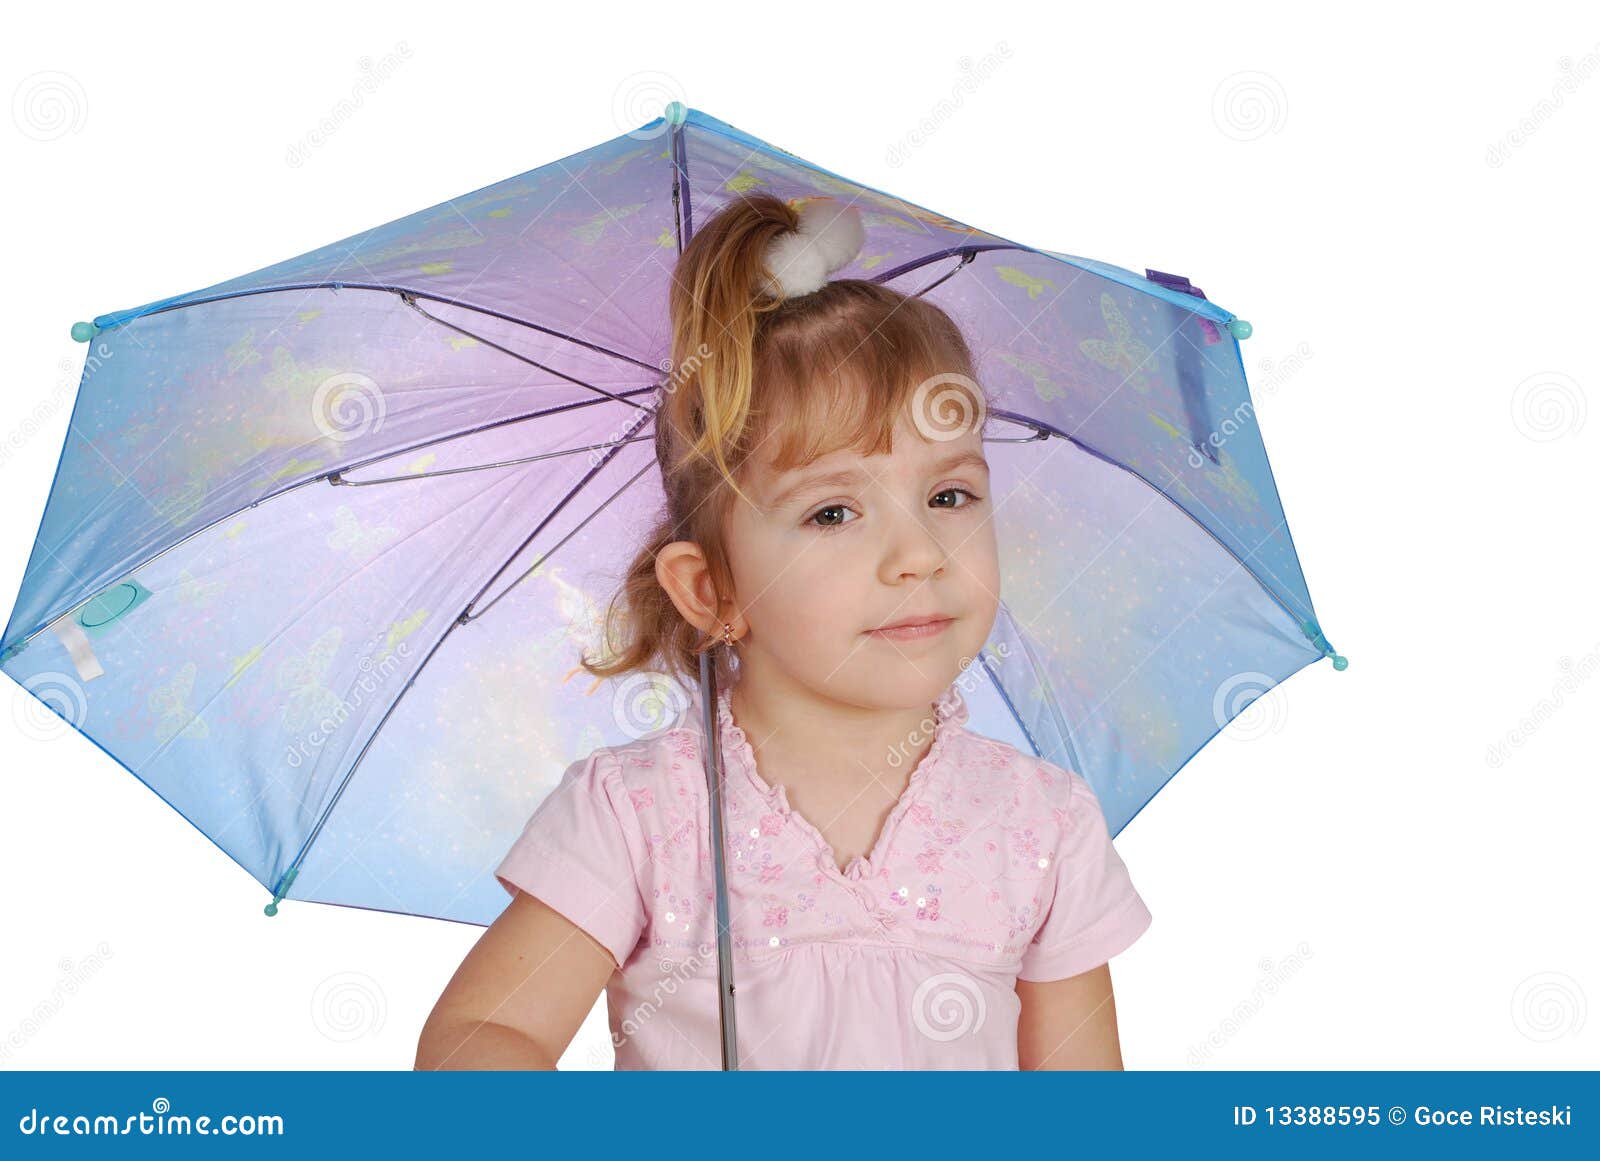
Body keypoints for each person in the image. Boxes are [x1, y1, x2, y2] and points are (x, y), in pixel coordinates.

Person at [415, 192, 1152, 1070]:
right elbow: (482, 1036)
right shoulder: (645, 815)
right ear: (711, 587)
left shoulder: (1042, 825)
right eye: (835, 511)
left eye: (949, 496)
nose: (918, 552)